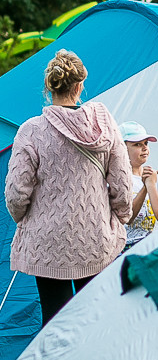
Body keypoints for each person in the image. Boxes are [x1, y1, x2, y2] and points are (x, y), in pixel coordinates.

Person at [5, 49, 132, 326]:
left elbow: (16, 193)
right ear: (79, 86)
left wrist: (29, 220)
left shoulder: (31, 130)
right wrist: (121, 216)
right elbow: (122, 182)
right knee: (96, 319)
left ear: (49, 88)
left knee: (55, 323)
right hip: (96, 237)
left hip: (48, 242)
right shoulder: (104, 124)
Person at [119, 121, 158, 250]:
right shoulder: (118, 179)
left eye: (146, 143)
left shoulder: (151, 174)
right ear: (122, 148)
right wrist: (145, 187)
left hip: (152, 243)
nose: (144, 148)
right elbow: (126, 218)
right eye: (137, 144)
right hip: (128, 247)